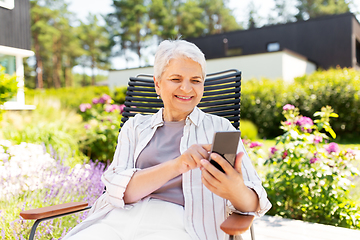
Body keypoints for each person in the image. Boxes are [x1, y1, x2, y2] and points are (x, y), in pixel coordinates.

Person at [63, 39, 271, 240]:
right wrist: (178, 165)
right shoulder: (135, 127)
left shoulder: (220, 128)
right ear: (157, 84)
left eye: (196, 81)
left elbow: (255, 202)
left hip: (182, 225)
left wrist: (235, 189)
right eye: (176, 79)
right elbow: (118, 190)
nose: (187, 89)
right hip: (118, 220)